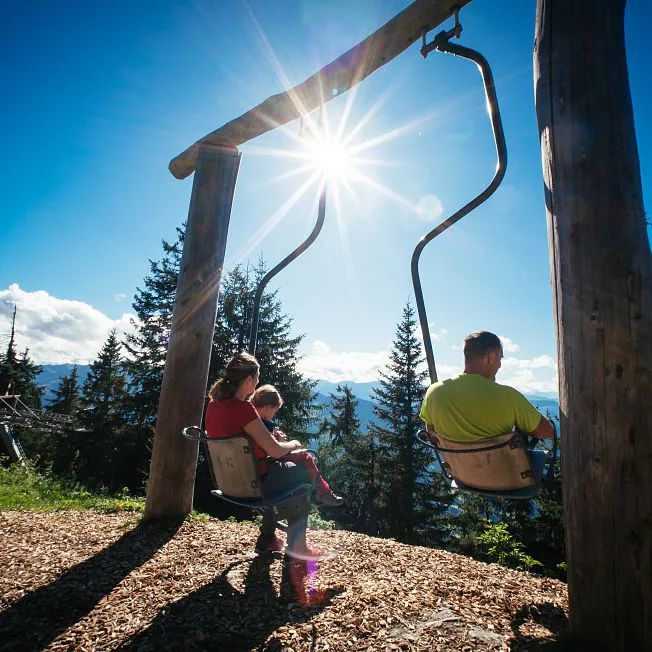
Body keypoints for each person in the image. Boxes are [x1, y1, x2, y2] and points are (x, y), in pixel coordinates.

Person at [205, 352, 321, 559]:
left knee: (281, 474)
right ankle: (297, 548)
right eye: (257, 378)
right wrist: (294, 443)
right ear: (249, 379)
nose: (258, 382)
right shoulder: (243, 409)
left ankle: (267, 539)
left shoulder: (213, 406)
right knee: (303, 473)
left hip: (228, 482)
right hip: (254, 483)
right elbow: (275, 451)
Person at [419, 331, 554, 477]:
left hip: (462, 476)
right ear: (491, 357)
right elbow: (547, 432)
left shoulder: (434, 392)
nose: (500, 364)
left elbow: (431, 431)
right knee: (539, 456)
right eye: (500, 358)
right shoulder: (508, 396)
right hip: (506, 479)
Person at [251, 384, 343, 507]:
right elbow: (271, 449)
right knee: (306, 457)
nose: (274, 414)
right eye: (275, 410)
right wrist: (286, 443)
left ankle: (321, 493)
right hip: (264, 465)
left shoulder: (250, 418)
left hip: (251, 466)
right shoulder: (261, 423)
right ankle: (323, 493)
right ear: (267, 407)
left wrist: (275, 438)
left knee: (304, 458)